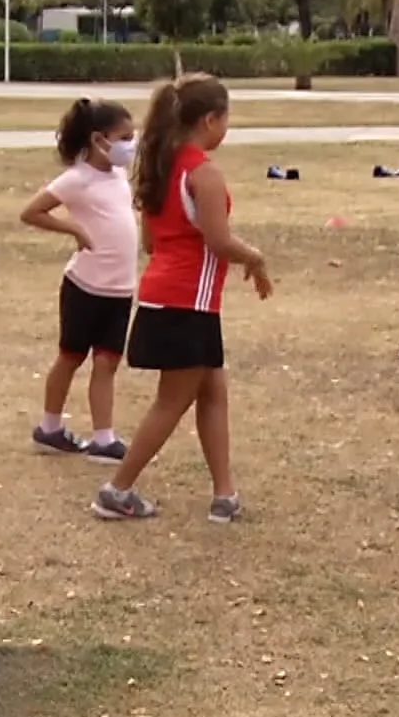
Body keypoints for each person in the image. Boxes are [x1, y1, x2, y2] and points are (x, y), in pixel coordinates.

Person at [92, 75, 270, 521]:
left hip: (166, 296)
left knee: (213, 391)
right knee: (172, 401)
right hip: (187, 302)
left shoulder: (162, 169)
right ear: (211, 120)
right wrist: (256, 258)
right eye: (226, 119)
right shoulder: (202, 173)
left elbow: (153, 241)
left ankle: (224, 496)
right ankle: (117, 489)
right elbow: (218, 239)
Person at [19, 98, 139, 461]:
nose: (130, 144)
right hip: (85, 287)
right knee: (71, 356)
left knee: (107, 362)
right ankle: (50, 427)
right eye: (125, 137)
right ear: (99, 140)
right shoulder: (77, 179)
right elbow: (31, 212)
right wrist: (72, 228)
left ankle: (104, 438)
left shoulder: (118, 177)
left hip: (120, 288)